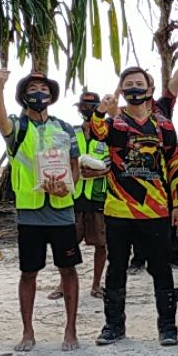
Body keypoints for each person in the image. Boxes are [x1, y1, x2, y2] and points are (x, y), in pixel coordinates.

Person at [91, 67, 178, 346]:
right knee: (116, 266)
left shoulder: (162, 125)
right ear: (121, 89)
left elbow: (173, 164)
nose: (134, 87)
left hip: (156, 210)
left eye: (139, 83)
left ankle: (168, 327)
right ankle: (113, 326)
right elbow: (96, 134)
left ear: (149, 88)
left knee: (161, 268)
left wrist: (177, 203)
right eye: (128, 84)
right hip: (118, 209)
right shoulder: (115, 124)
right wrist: (100, 111)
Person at [0, 69, 82, 351]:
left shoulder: (66, 128)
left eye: (43, 89)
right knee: (29, 272)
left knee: (68, 269)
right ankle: (27, 331)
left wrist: (66, 187)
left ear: (51, 96)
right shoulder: (17, 128)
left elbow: (75, 167)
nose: (39, 93)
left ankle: (71, 330)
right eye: (33, 89)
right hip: (30, 212)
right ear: (24, 96)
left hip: (61, 211)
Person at [129, 49, 178, 273]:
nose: (140, 88)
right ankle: (137, 260)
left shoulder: (163, 106)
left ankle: (173, 255)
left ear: (151, 88)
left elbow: (176, 79)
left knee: (168, 213)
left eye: (146, 84)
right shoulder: (125, 113)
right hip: (136, 171)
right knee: (137, 213)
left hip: (164, 169)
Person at [71, 91, 109, 300]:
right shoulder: (71, 132)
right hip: (74, 196)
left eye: (92, 107)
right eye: (83, 107)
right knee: (69, 243)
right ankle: (64, 283)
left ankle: (96, 285)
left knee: (101, 244)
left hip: (98, 195)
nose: (87, 111)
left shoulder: (106, 132)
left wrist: (98, 172)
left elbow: (114, 163)